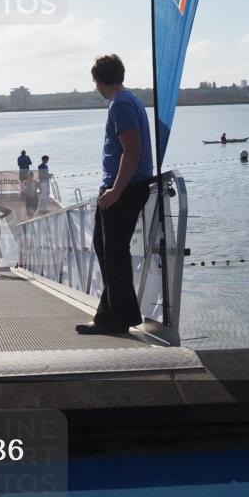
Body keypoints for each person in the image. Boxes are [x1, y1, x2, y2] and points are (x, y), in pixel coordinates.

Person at [76, 54, 154, 335]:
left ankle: (114, 319)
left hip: (123, 189)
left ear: (97, 81)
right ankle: (119, 314)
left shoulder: (120, 104)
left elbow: (132, 151)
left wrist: (115, 191)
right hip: (126, 187)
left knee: (113, 254)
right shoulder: (129, 100)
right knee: (108, 250)